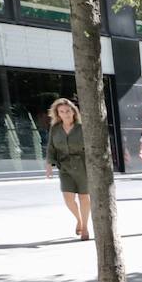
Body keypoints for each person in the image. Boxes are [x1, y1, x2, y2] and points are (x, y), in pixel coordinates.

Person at [45, 97, 90, 241]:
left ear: (73, 111)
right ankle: (79, 220)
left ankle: (85, 227)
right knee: (68, 198)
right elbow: (51, 147)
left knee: (84, 197)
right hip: (64, 166)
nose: (66, 114)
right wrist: (49, 165)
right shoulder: (55, 129)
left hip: (83, 166)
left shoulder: (82, 127)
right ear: (58, 114)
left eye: (68, 110)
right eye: (62, 112)